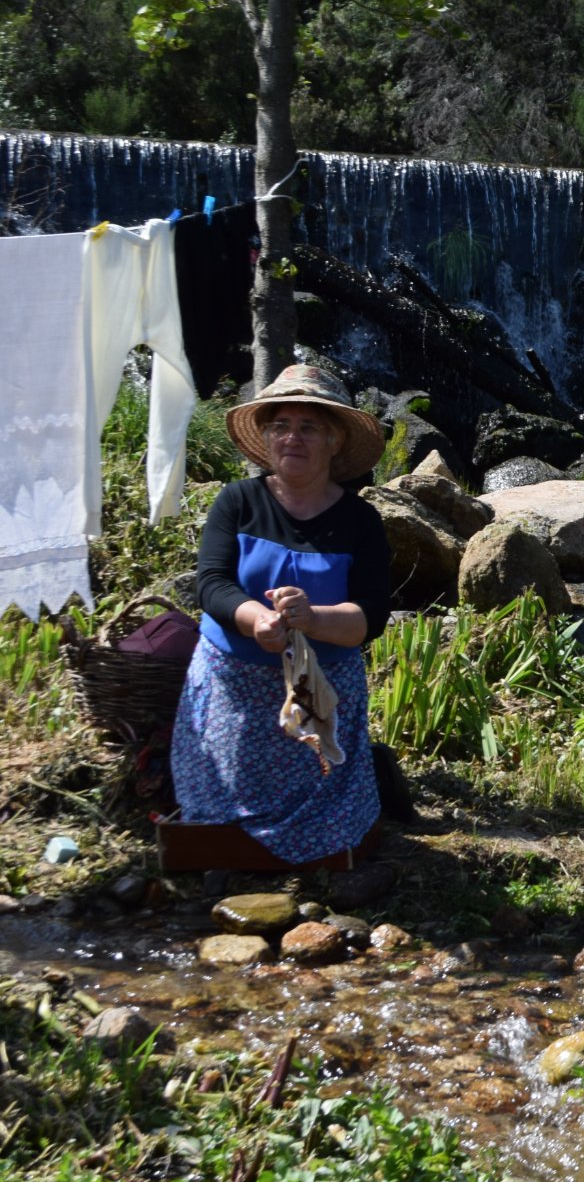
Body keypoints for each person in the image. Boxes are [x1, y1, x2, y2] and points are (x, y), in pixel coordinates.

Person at [170, 364, 392, 864]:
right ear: (266, 437)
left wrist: (312, 619)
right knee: (219, 809)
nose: (292, 437)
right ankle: (227, 844)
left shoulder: (361, 520)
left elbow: (372, 615)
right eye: (280, 426)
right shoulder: (237, 501)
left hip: (322, 691)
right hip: (234, 687)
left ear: (335, 441)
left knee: (333, 819)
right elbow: (212, 584)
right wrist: (258, 621)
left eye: (308, 427)